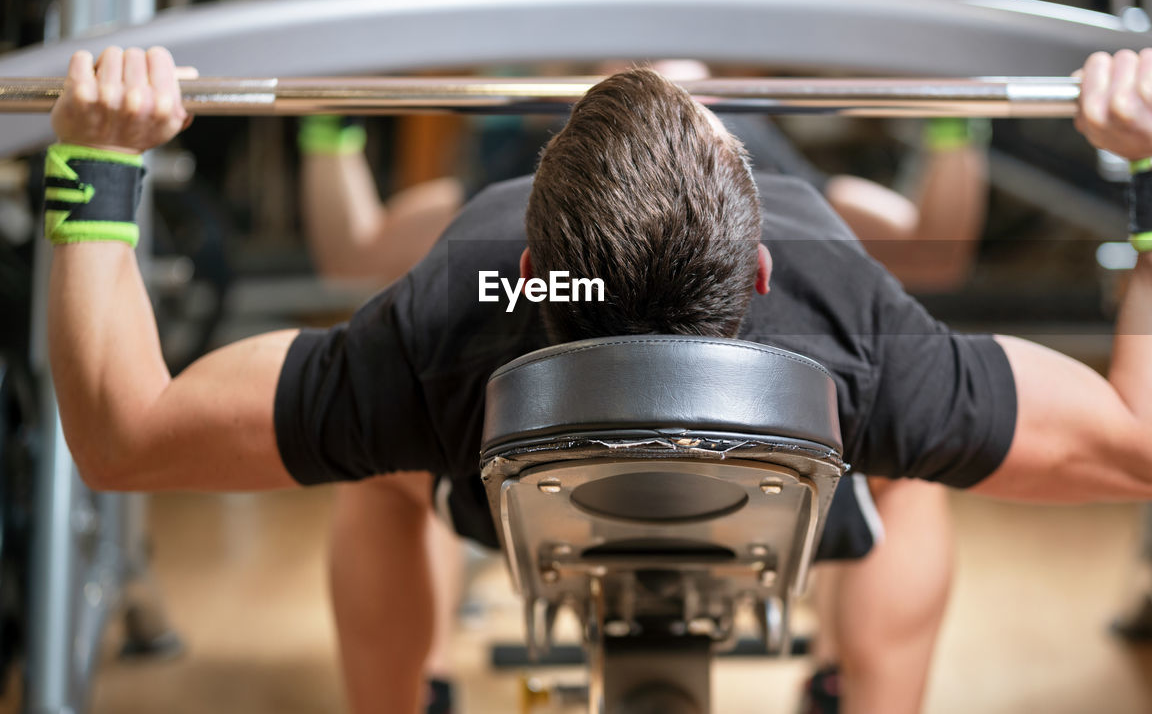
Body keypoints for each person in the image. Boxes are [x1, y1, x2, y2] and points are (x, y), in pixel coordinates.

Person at [44, 46, 1152, 714]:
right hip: (795, 452)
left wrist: (94, 167)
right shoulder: (842, 320)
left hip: (503, 457)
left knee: (386, 473)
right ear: (758, 260)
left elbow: (126, 434)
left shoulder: (454, 306)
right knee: (911, 479)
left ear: (529, 257)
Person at [297, 58, 988, 714]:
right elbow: (935, 254)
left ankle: (418, 689)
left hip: (531, 413)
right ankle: (848, 687)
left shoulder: (558, 151)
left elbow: (935, 253)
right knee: (909, 462)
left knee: (380, 458)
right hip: (761, 398)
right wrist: (958, 118)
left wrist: (325, 119)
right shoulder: (572, 141)